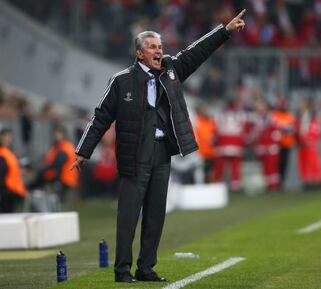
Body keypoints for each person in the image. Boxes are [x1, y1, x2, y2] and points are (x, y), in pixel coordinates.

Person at [70, 10, 246, 283]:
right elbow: (101, 116)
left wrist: (224, 31)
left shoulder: (171, 70)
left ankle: (146, 268)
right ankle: (122, 270)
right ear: (139, 53)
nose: (158, 51)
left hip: (162, 152)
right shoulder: (121, 81)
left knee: (155, 214)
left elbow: (195, 52)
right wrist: (83, 151)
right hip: (134, 155)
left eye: (161, 47)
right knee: (128, 216)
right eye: (152, 47)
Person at [30, 126, 78, 205]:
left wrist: (43, 170)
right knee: (39, 177)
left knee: (39, 177)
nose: (56, 136)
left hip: (64, 178)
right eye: (55, 134)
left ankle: (33, 196)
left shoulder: (65, 147)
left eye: (58, 134)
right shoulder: (58, 147)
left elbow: (57, 164)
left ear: (64, 135)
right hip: (61, 177)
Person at [0, 128, 28, 212]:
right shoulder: (3, 153)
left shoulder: (8, 152)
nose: (8, 139)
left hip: (13, 190)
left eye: (10, 137)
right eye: (6, 136)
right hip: (6, 191)